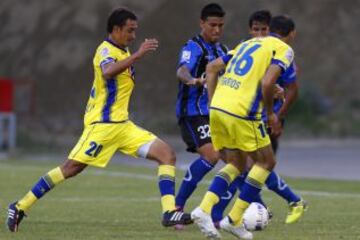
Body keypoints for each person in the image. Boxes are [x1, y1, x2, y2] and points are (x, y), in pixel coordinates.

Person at [6, 7, 192, 232]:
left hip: (122, 126)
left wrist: (133, 54)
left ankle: (169, 212)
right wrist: (138, 55)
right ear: (116, 29)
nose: (134, 36)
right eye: (130, 30)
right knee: (71, 168)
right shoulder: (105, 50)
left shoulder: (123, 51)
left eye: (135, 31)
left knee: (167, 155)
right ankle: (20, 206)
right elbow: (107, 72)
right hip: (102, 126)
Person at [191, 15, 298, 239]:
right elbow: (267, 82)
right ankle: (234, 219)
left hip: (219, 108)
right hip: (242, 112)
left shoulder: (247, 43)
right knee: (266, 161)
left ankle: (203, 210)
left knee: (237, 162)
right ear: (292, 34)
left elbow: (212, 68)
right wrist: (270, 113)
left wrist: (213, 104)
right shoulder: (284, 49)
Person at [175, 3, 241, 227]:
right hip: (193, 112)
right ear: (202, 23)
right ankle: (177, 209)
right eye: (212, 25)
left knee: (237, 162)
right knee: (212, 156)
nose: (217, 30)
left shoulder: (223, 50)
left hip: (216, 113)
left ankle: (218, 215)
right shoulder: (193, 47)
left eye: (221, 25)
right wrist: (192, 80)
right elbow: (181, 70)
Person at [247, 10, 307, 224]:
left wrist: (276, 117)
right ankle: (263, 207)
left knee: (251, 164)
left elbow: (291, 88)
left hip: (261, 118)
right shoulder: (268, 49)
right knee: (253, 164)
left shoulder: (283, 53)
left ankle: (290, 201)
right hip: (253, 116)